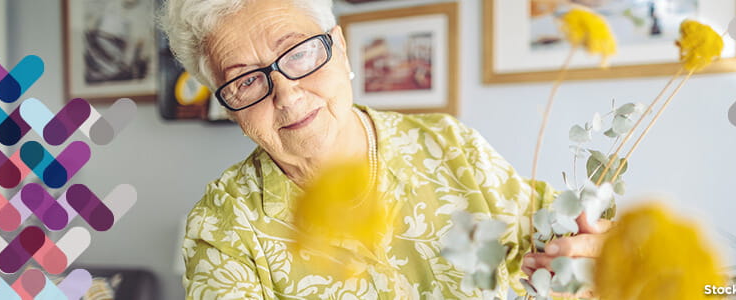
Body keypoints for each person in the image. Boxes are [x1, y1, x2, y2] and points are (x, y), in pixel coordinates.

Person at [159, 0, 611, 298]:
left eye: (297, 52)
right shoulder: (222, 227)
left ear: (340, 49)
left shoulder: (450, 147)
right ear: (230, 107)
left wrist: (595, 258)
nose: (287, 94)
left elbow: (565, 246)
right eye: (245, 80)